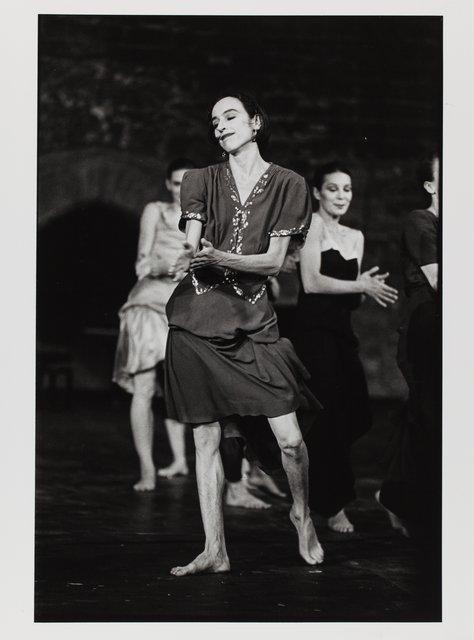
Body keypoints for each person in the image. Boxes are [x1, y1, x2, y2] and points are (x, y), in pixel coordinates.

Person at [159, 93, 324, 576]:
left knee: (290, 439)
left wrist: (216, 258)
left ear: (255, 122)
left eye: (229, 116)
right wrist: (191, 254)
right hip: (195, 320)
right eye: (213, 120)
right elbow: (193, 237)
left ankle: (301, 511)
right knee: (205, 439)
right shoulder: (199, 179)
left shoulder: (289, 184)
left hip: (252, 321)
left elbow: (273, 263)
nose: (220, 125)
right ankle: (215, 548)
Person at [294, 162, 398, 532]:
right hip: (314, 333)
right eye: (333, 189)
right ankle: (330, 503)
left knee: (358, 414)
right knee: (330, 415)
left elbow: (350, 298)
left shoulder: (355, 237)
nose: (341, 196)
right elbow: (311, 283)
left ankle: (316, 494)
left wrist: (364, 288)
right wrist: (360, 286)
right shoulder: (311, 227)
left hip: (340, 332)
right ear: (318, 193)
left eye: (347, 189)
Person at [113, 158, 196, 491]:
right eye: (176, 183)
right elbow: (142, 262)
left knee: (179, 387)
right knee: (145, 387)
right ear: (168, 185)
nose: (182, 189)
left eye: (188, 183)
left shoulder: (202, 218)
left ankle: (179, 460)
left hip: (184, 306)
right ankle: (147, 468)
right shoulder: (156, 211)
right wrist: (164, 264)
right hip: (149, 303)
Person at [377, 155, 440, 537]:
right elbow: (441, 283)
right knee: (430, 415)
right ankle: (399, 498)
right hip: (427, 327)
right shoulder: (421, 221)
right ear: (430, 186)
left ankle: (401, 498)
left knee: (431, 418)